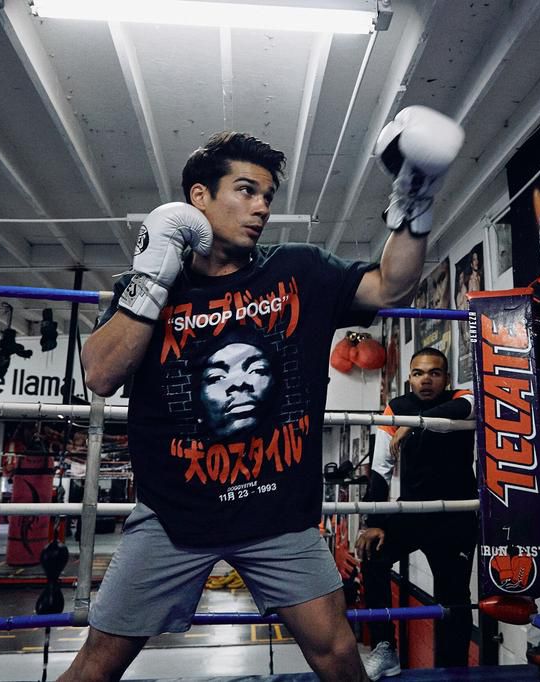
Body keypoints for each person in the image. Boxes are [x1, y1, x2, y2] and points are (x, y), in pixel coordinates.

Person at [61, 105, 464, 682]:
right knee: (98, 662)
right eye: (246, 190)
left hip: (277, 514)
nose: (261, 208)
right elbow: (101, 375)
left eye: (267, 195)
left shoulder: (297, 271)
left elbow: (389, 283)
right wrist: (154, 274)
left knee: (338, 652)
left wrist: (414, 203)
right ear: (197, 196)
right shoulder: (144, 289)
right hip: (173, 515)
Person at [356, 347, 477, 680]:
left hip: (455, 517)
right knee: (372, 556)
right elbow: (380, 469)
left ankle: (454, 671)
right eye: (419, 373)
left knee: (453, 598)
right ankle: (385, 648)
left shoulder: (461, 398)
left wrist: (416, 425)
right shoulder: (397, 408)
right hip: (412, 514)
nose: (426, 379)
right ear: (409, 377)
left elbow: (470, 405)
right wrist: (375, 524)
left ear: (446, 378)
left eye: (435, 373)